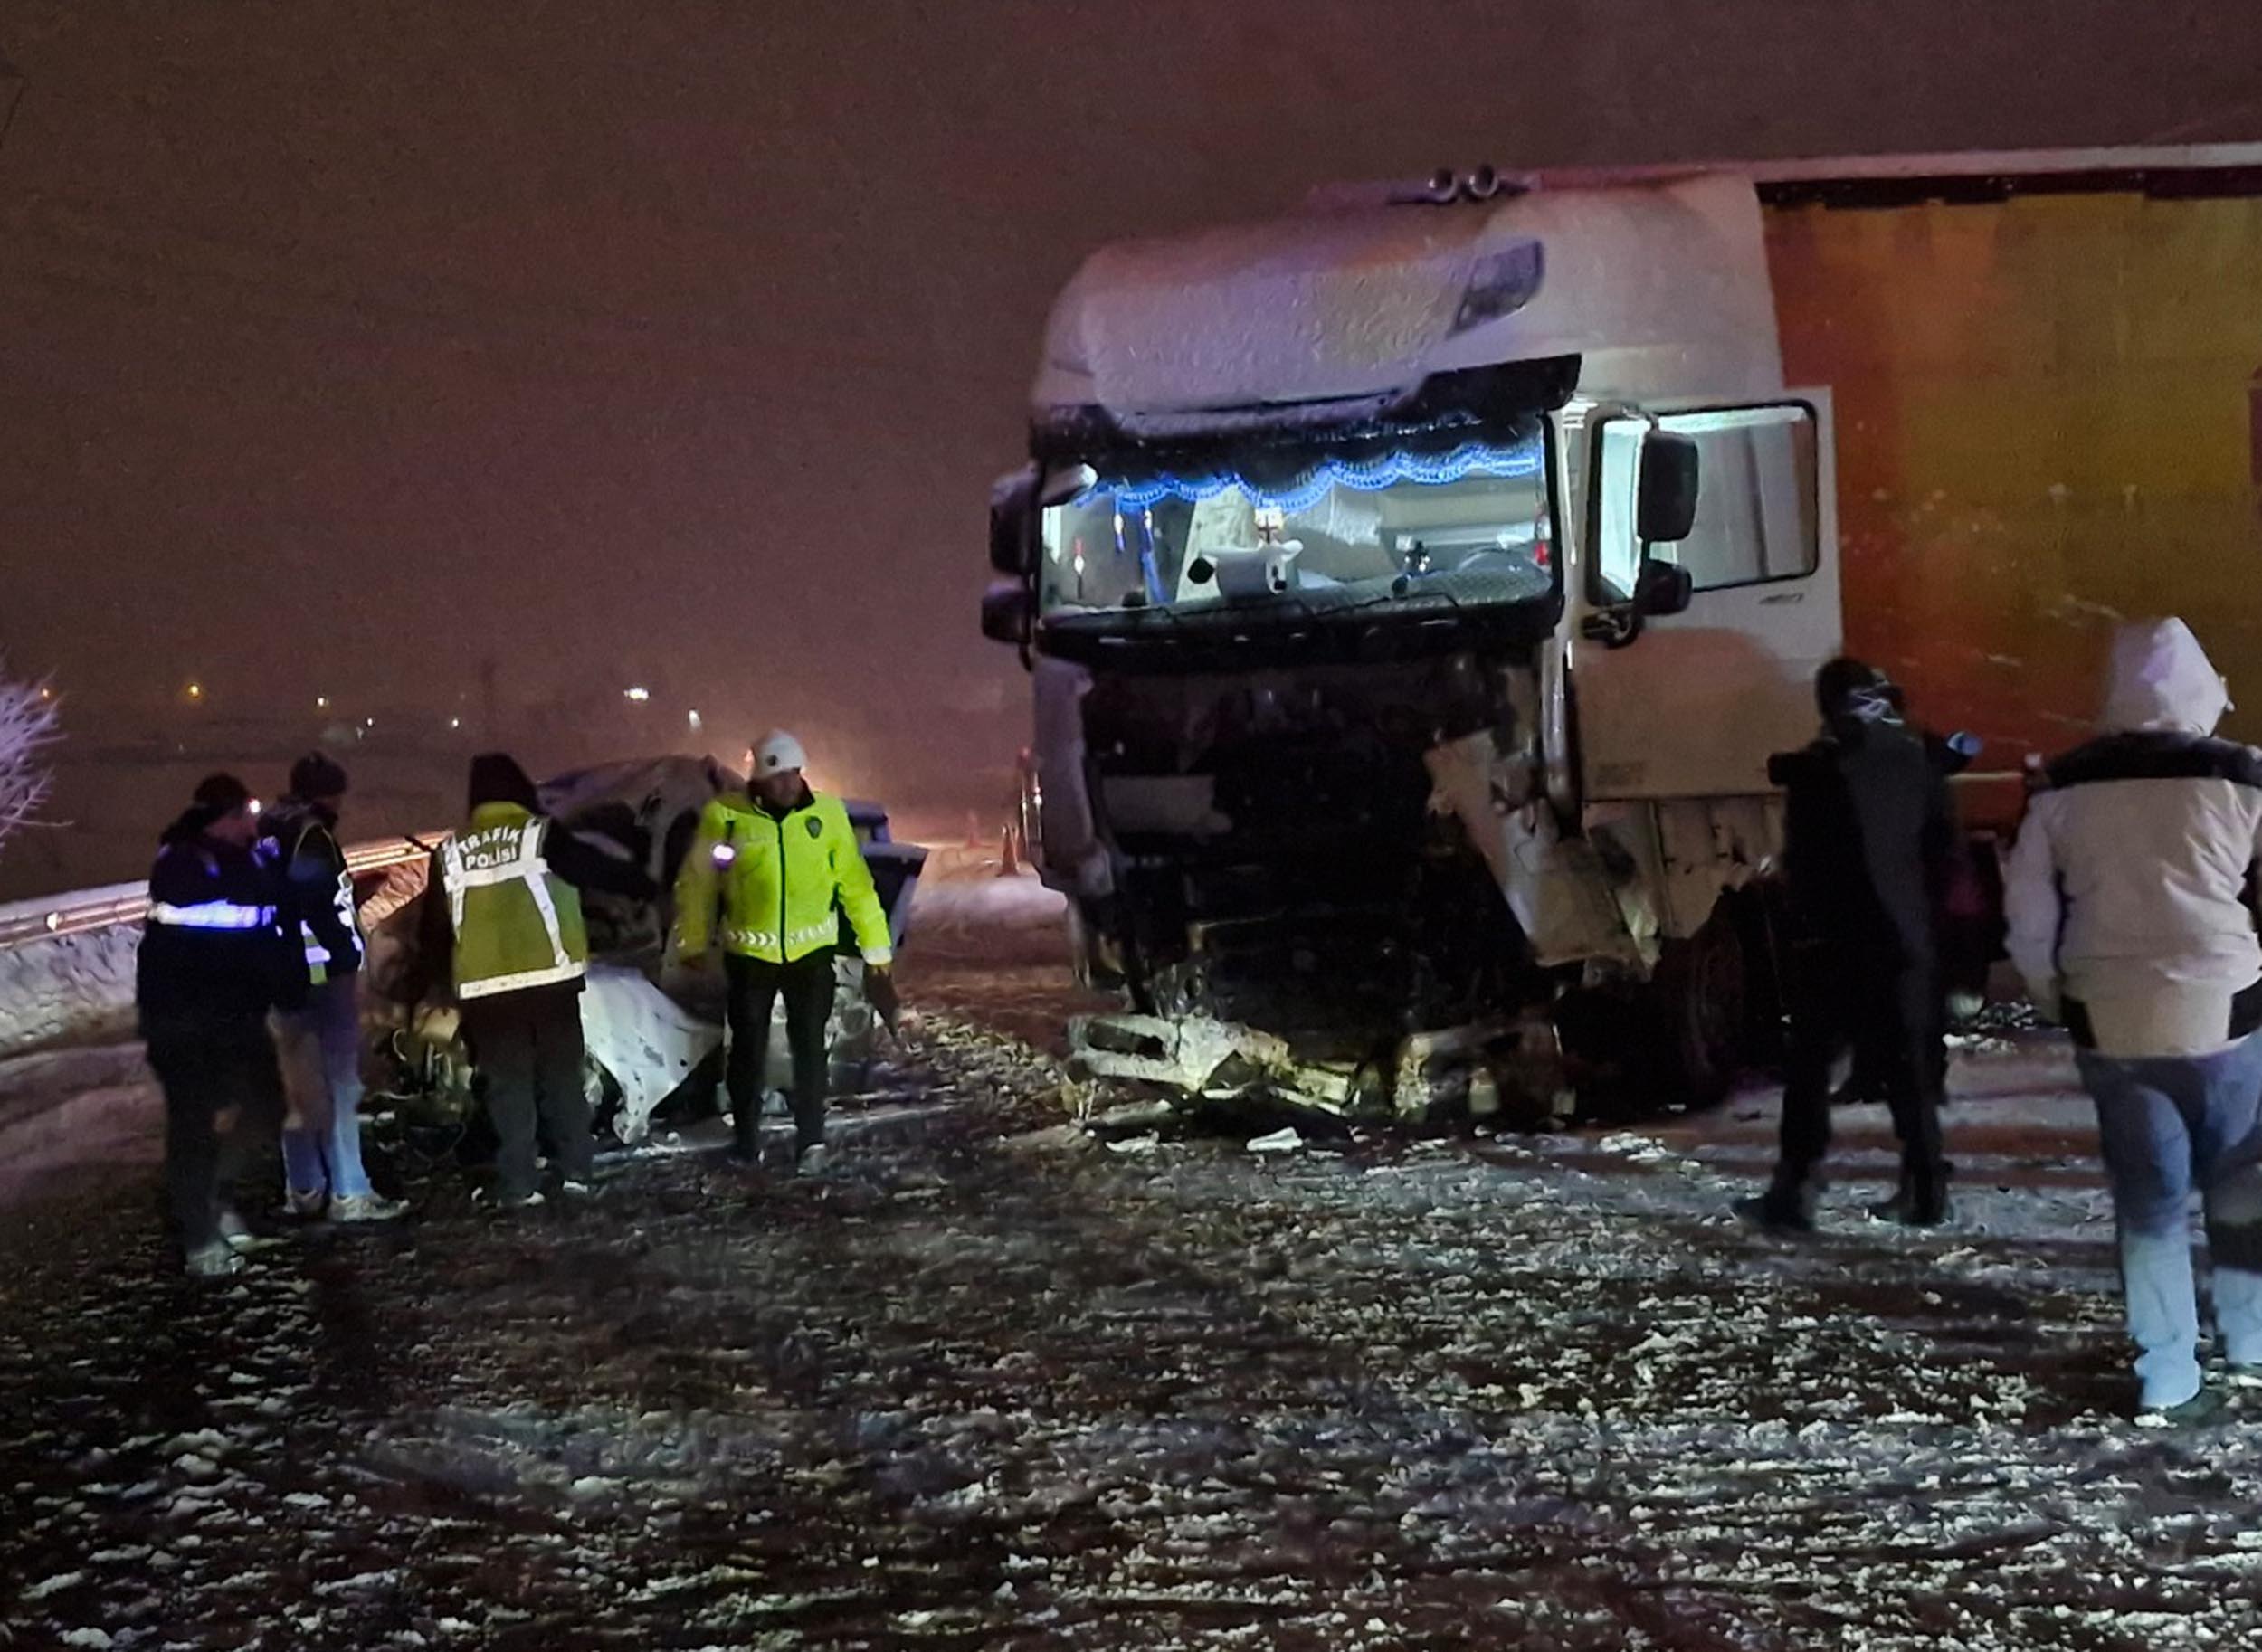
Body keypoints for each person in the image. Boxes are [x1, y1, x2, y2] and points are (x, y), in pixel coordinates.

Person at [2005, 618, 2262, 1426]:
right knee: (2240, 1179)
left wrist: (2056, 995)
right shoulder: (2245, 778)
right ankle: (2252, 1340)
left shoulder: (2061, 790)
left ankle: (2166, 1369)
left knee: (2148, 1198)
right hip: (2226, 1007)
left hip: (2109, 1019)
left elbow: (2029, 919)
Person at [1738, 658, 1958, 1233]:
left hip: (1838, 943)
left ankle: (1795, 1191)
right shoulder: (1916, 760)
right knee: (1908, 1073)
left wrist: (1804, 926)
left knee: (1809, 1069)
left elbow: (1804, 864)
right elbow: (1942, 854)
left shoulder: (1819, 768)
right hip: (1904, 940)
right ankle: (1926, 1187)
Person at [420, 754, 655, 1209]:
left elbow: (433, 929)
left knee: (508, 1088)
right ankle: (575, 1173)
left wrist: (434, 984)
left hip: (486, 991)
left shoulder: (449, 851)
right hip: (550, 983)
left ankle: (519, 1183)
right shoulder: (541, 834)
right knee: (561, 1080)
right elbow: (596, 870)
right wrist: (645, 882)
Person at [670, 731, 898, 1173]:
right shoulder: (726, 817)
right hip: (750, 956)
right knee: (747, 1051)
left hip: (811, 955)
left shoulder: (827, 816)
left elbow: (856, 886)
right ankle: (747, 1139)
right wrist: (693, 941)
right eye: (778, 776)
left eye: (794, 773)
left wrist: (876, 948)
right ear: (758, 779)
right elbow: (698, 884)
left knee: (810, 1048)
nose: (789, 784)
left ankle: (811, 1138)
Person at [137, 774, 304, 1277]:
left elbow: (267, 918)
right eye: (245, 816)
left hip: (236, 1015)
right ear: (223, 819)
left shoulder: (244, 858)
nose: (253, 824)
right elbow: (230, 925)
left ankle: (219, 1202)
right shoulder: (184, 862)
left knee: (266, 1108)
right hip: (183, 1020)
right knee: (193, 1125)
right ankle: (200, 1236)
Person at [262, 753, 404, 1222]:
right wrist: (346, 953)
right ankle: (350, 1193)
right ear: (325, 794)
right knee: (339, 1087)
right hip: (321, 978)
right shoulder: (312, 836)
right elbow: (317, 903)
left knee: (295, 1090)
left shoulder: (267, 834)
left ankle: (304, 1188)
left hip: (277, 978)